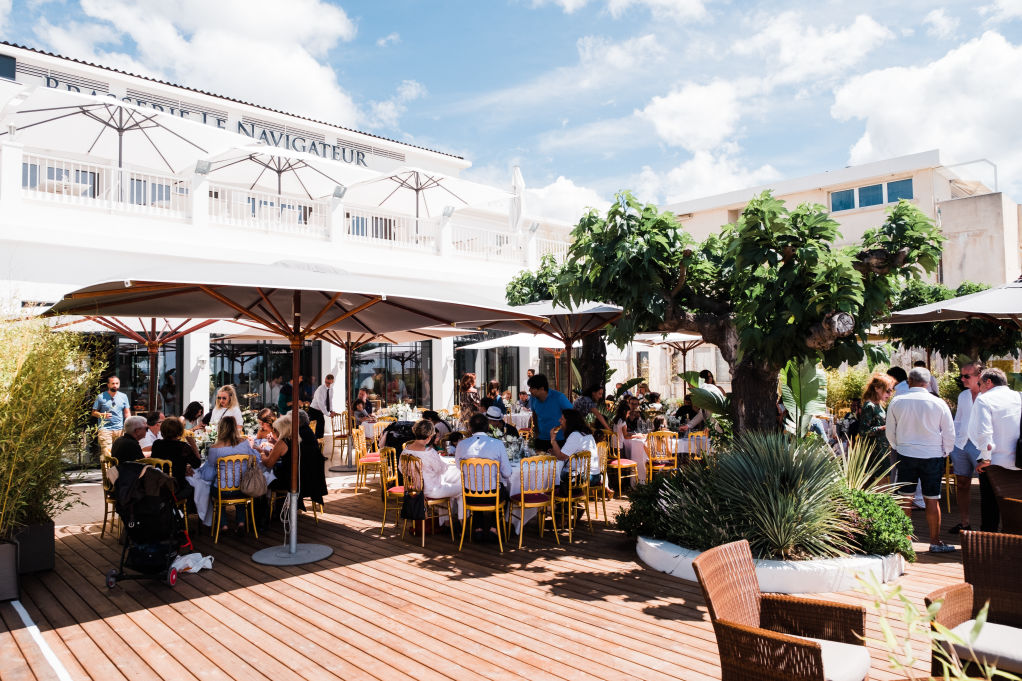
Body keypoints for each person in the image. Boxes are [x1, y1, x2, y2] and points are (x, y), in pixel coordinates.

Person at [885, 367, 956, 553]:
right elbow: (949, 432)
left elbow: (890, 432)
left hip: (906, 453)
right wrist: (945, 451)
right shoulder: (938, 403)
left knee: (905, 499)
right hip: (932, 455)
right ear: (928, 382)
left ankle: (905, 540)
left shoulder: (897, 401)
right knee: (932, 500)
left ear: (909, 381)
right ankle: (935, 541)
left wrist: (899, 446)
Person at [969, 367, 1022, 532]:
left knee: (990, 508)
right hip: (1019, 460)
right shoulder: (1019, 396)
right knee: (1015, 507)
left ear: (988, 382)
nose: (978, 388)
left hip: (994, 462)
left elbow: (985, 432)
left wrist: (985, 458)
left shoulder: (984, 399)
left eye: (979, 383)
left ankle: (989, 543)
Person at [454, 413, 512, 539]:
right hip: (492, 496)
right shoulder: (497, 444)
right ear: (488, 427)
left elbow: (459, 467)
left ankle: (478, 527)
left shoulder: (462, 444)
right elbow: (507, 473)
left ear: (470, 428)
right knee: (505, 492)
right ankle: (493, 527)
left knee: (476, 487)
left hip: (469, 496)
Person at [200, 415, 259, 533]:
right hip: (243, 488)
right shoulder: (244, 443)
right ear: (235, 428)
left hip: (222, 491)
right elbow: (256, 459)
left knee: (211, 489)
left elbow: (208, 475)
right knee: (240, 486)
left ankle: (224, 524)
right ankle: (241, 522)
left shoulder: (215, 448)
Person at [261, 411, 327, 510]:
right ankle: (280, 507)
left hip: (293, 480)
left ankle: (265, 511)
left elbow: (269, 463)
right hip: (310, 477)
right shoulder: (302, 435)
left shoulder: (285, 441)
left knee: (264, 476)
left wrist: (262, 453)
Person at [949, 361, 984, 533]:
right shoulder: (963, 396)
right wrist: (952, 443)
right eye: (961, 375)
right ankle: (965, 523)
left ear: (979, 376)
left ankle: (988, 527)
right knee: (962, 483)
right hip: (961, 444)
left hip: (981, 445)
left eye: (966, 376)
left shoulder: (988, 396)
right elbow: (958, 421)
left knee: (988, 486)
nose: (962, 379)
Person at [401, 419, 462, 501]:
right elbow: (441, 470)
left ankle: (445, 513)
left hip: (415, 488)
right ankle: (462, 514)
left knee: (449, 483)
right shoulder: (429, 452)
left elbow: (401, 469)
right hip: (431, 490)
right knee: (461, 489)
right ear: (430, 436)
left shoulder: (405, 451)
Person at [549, 408, 601, 489]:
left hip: (585, 477)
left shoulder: (575, 435)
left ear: (569, 421)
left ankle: (559, 498)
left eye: (562, 419)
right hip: (594, 474)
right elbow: (564, 454)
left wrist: (553, 440)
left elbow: (562, 457)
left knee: (551, 476)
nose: (559, 421)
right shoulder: (586, 433)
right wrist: (554, 453)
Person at [859, 372, 896, 481]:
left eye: (891, 391)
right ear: (877, 388)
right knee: (879, 486)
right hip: (874, 453)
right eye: (887, 391)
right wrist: (884, 427)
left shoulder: (878, 405)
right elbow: (863, 431)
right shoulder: (869, 406)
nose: (890, 394)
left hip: (882, 450)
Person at [150, 417, 201, 498]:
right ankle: (189, 510)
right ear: (180, 432)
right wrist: (193, 444)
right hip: (176, 487)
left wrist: (183, 467)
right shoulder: (183, 447)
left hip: (159, 484)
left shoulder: (157, 444)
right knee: (196, 485)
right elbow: (197, 464)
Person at [527, 373, 573, 451]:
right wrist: (536, 431)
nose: (529, 390)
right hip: (541, 439)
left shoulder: (559, 397)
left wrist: (568, 432)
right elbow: (534, 414)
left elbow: (572, 415)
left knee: (558, 463)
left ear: (541, 389)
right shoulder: (533, 398)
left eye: (532, 388)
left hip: (559, 439)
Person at [91, 376, 131, 459]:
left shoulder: (123, 397)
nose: (115, 385)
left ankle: (117, 471)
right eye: (113, 383)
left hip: (120, 430)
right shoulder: (101, 397)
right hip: (105, 429)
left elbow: (127, 413)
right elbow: (93, 413)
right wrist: (102, 415)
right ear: (108, 385)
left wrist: (129, 425)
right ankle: (106, 472)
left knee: (120, 454)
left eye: (117, 383)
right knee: (107, 455)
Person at [308, 373, 337, 439]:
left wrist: (331, 410)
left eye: (329, 383)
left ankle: (320, 444)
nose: (327, 384)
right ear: (325, 380)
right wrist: (328, 414)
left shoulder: (331, 390)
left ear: (332, 382)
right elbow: (321, 404)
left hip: (320, 411)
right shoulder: (320, 389)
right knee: (314, 429)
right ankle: (315, 444)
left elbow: (330, 401)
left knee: (320, 428)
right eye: (326, 382)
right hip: (313, 410)